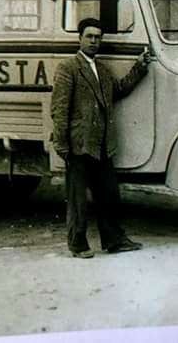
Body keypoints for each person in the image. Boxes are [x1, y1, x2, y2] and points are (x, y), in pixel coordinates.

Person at [51, 17, 150, 258]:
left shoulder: (102, 69)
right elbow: (59, 108)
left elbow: (120, 89)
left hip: (102, 146)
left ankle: (114, 241)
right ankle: (78, 245)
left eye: (98, 37)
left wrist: (140, 67)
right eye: (90, 36)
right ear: (80, 38)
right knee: (77, 201)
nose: (94, 41)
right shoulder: (68, 67)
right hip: (79, 145)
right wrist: (62, 144)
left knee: (108, 195)